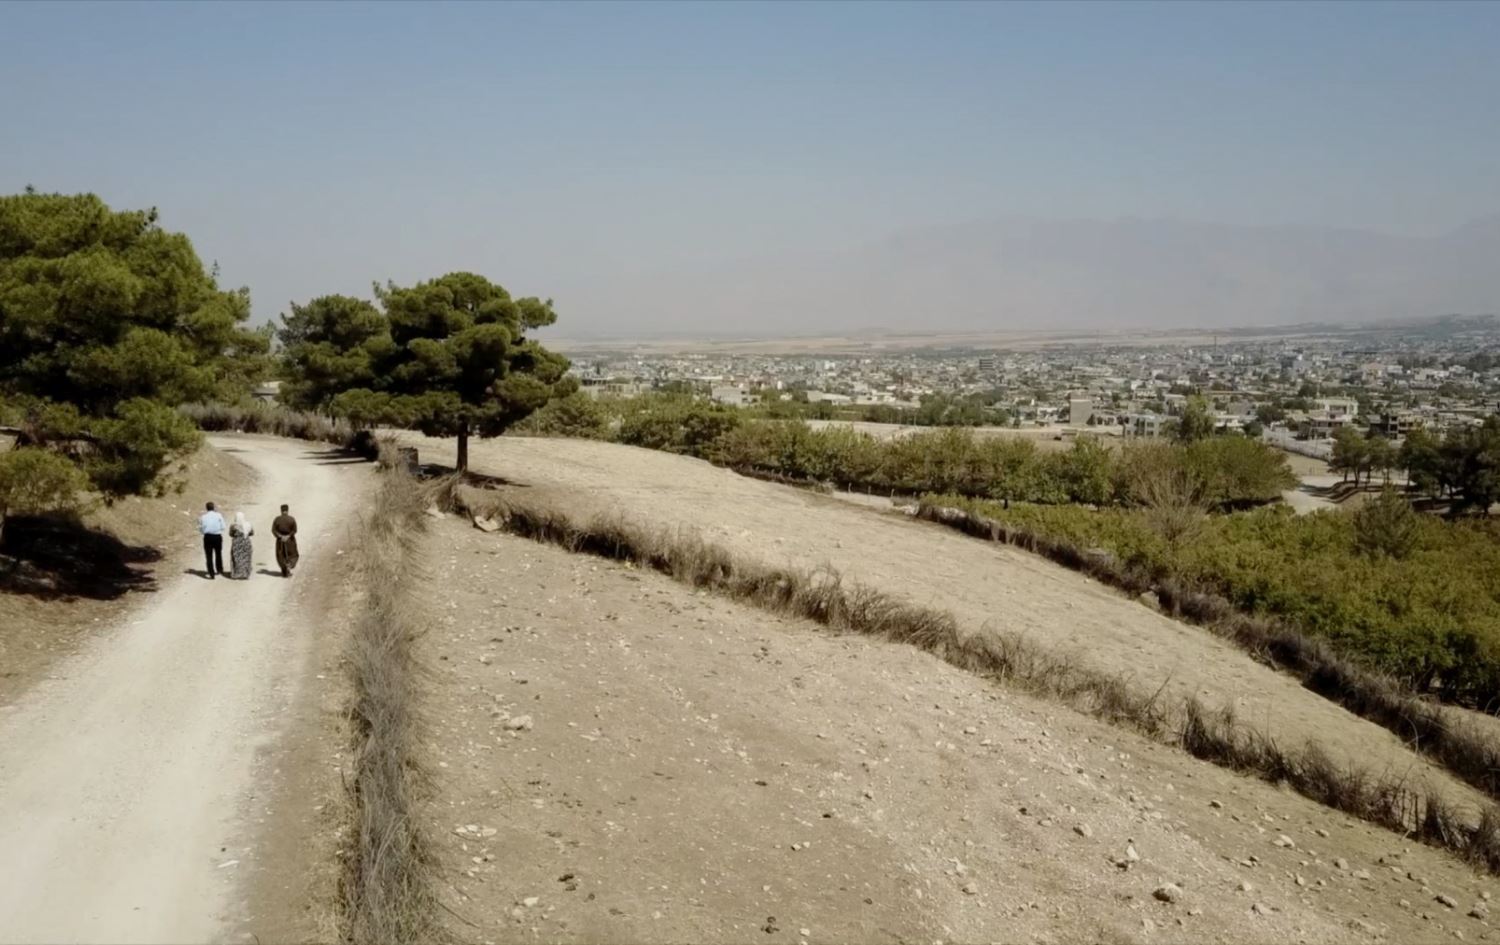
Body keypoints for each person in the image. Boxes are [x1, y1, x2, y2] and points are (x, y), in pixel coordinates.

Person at [198, 502, 226, 579]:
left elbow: (200, 528)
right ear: (213, 508)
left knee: (209, 555)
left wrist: (204, 531)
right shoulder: (218, 515)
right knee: (218, 553)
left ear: (206, 508)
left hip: (208, 537)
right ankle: (219, 569)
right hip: (217, 536)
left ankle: (211, 572)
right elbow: (223, 526)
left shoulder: (203, 517)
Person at [272, 504, 299, 578]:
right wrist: (288, 536)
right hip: (290, 540)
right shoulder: (291, 519)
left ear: (281, 510)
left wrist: (280, 536)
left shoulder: (277, 519)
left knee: (281, 555)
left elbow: (273, 530)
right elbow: (294, 530)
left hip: (280, 541)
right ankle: (289, 567)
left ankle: (284, 570)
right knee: (292, 555)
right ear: (287, 510)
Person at [229, 512, 255, 580]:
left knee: (236, 558)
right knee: (246, 558)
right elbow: (252, 533)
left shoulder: (233, 526)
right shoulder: (248, 524)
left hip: (236, 543)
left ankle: (236, 574)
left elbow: (230, 534)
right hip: (246, 542)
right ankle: (245, 574)